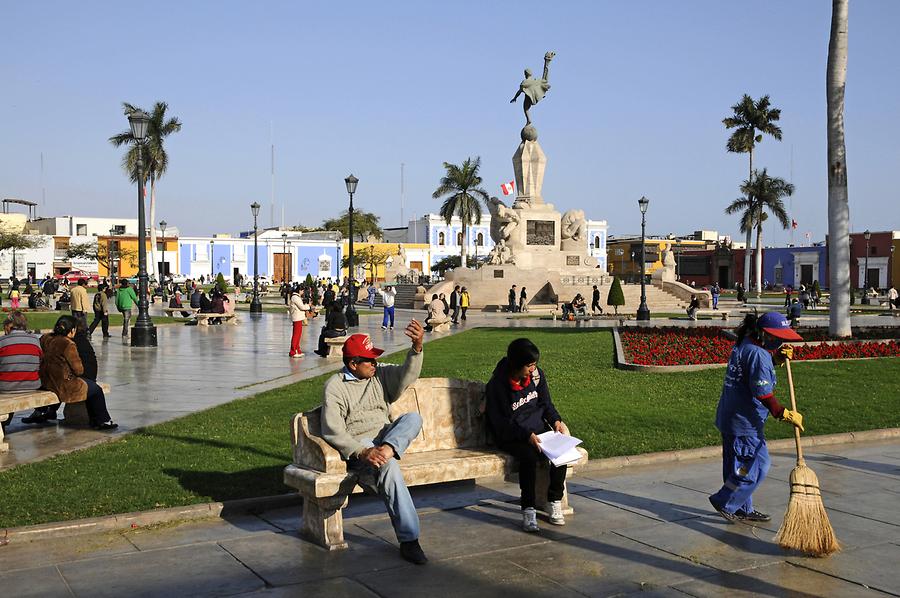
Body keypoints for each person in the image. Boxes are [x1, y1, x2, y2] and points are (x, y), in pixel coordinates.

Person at [320, 324, 427, 564]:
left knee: (413, 418)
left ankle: (388, 451)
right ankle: (410, 541)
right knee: (388, 467)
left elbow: (405, 375)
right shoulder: (335, 387)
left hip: (385, 439)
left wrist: (417, 347)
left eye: (375, 359)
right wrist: (363, 451)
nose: (375, 363)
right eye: (369, 360)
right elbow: (332, 429)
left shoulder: (379, 374)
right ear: (353, 364)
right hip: (362, 446)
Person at [708, 311, 804, 523]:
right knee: (758, 465)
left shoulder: (745, 343)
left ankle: (742, 508)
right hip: (744, 422)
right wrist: (783, 413)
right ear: (763, 333)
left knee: (739, 467)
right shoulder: (758, 354)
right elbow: (763, 392)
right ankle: (725, 501)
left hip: (732, 417)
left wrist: (776, 359)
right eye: (775, 336)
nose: (778, 340)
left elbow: (750, 371)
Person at [485, 338, 570, 532]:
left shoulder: (537, 376)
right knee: (529, 458)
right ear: (516, 364)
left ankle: (554, 500)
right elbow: (501, 424)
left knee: (562, 450)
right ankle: (528, 508)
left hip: (538, 430)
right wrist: (526, 436)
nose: (533, 369)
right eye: (529, 365)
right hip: (512, 435)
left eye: (534, 364)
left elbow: (546, 404)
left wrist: (556, 420)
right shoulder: (498, 386)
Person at [37, 315, 118, 430]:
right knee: (96, 390)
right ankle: (103, 420)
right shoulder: (68, 344)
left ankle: (44, 412)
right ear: (72, 330)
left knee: (88, 386)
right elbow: (79, 370)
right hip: (64, 384)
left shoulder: (45, 338)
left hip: (47, 381)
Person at [1, 311, 43, 427]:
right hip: (32, 385)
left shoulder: (2, 341)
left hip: (6, 387)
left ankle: (4, 424)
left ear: (9, 325)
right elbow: (40, 361)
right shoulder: (35, 340)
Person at [287, 285, 310, 358]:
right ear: (299, 290)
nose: (303, 292)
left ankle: (297, 349)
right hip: (296, 317)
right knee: (296, 335)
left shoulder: (297, 297)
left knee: (298, 335)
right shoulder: (295, 297)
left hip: (299, 317)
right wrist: (308, 306)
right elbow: (302, 307)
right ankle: (293, 351)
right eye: (302, 291)